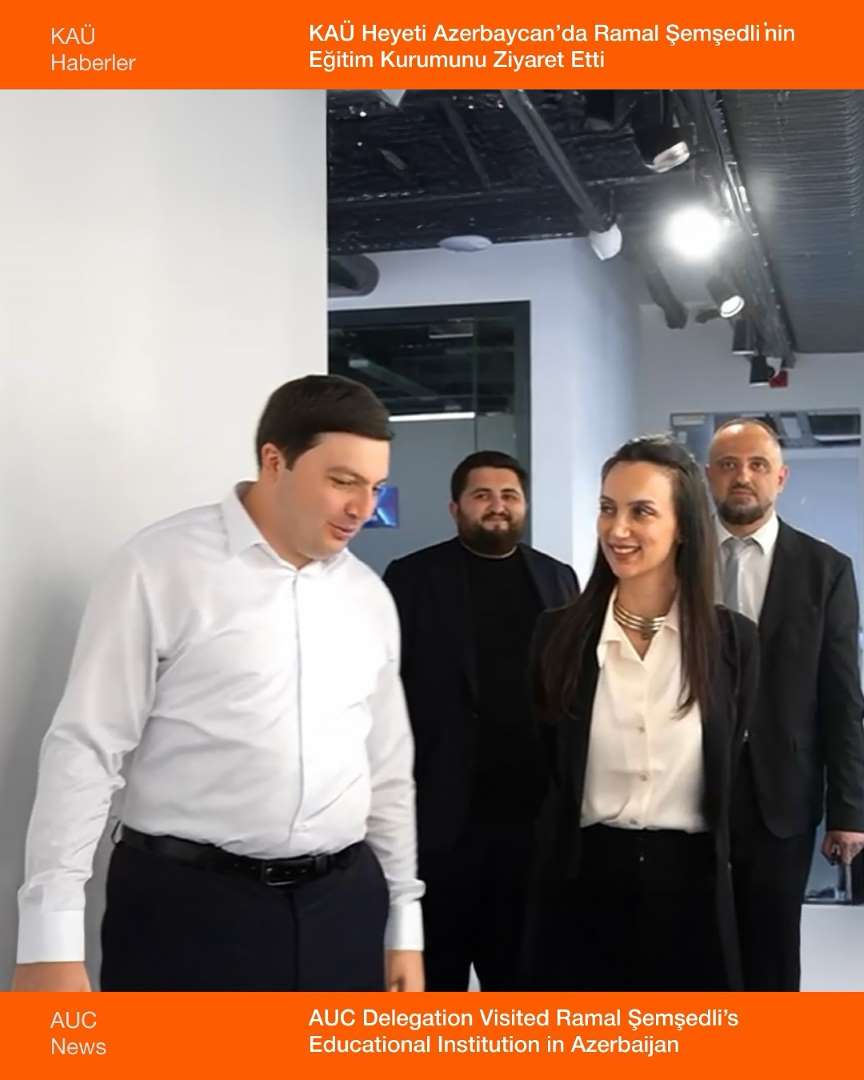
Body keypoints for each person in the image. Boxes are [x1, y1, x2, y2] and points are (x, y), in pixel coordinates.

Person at [13, 374, 424, 993]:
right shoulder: (159, 567)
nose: (362, 508)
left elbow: (388, 770)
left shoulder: (368, 596)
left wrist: (404, 926)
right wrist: (50, 942)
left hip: (342, 910)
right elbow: (87, 749)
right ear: (274, 461)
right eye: (343, 481)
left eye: (375, 487)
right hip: (188, 913)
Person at [527, 435, 758, 991]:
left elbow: (732, 766)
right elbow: (545, 769)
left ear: (683, 527)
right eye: (608, 509)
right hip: (583, 887)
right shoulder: (558, 636)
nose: (617, 529)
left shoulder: (733, 642)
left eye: (641, 512)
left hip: (692, 892)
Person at [383, 451, 578, 990]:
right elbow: (385, 692)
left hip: (529, 826)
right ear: (455, 508)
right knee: (436, 984)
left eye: (509, 495)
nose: (497, 506)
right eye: (482, 495)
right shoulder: (411, 578)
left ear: (524, 506)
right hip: (443, 822)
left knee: (523, 984)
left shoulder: (557, 578)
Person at [707, 417, 864, 991]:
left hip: (782, 796)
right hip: (689, 786)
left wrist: (849, 810)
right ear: (709, 477)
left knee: (771, 955)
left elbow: (843, 695)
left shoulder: (825, 570)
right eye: (728, 465)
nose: (742, 477)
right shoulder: (677, 562)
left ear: (780, 477)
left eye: (757, 465)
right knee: (696, 950)